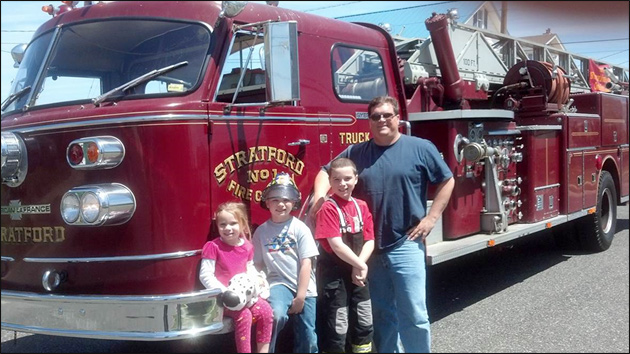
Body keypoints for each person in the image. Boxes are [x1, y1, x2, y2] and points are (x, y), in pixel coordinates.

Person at [310, 96, 455, 353]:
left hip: (406, 244)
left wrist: (432, 218)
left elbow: (447, 180)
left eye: (387, 115)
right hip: (368, 251)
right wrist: (320, 201)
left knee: (414, 314)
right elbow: (325, 171)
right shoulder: (357, 152)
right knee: (381, 315)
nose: (381, 120)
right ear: (369, 121)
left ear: (398, 118)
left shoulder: (420, 147)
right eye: (375, 116)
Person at [252, 172, 319, 353]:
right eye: (275, 200)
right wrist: (257, 284)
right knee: (275, 316)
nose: (281, 204)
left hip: (305, 288)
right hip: (278, 284)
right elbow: (257, 264)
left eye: (286, 200)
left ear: (294, 203)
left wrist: (301, 296)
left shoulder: (300, 229)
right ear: (267, 202)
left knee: (308, 337)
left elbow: (307, 263)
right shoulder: (261, 232)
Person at [315, 157, 375, 353]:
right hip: (336, 278)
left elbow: (370, 241)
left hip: (358, 274)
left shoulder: (361, 206)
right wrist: (360, 266)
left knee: (363, 317)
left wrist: (359, 266)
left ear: (356, 179)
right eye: (337, 180)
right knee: (338, 323)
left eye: (347, 178)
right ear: (330, 181)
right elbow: (336, 245)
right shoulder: (328, 208)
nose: (343, 184)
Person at [199, 201, 273, 353]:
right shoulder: (213, 247)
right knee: (244, 316)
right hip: (223, 299)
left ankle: (263, 350)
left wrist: (256, 279)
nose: (228, 228)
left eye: (233, 223)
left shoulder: (247, 246)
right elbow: (205, 275)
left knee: (266, 310)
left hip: (244, 296)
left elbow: (249, 268)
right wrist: (225, 292)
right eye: (222, 224)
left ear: (243, 225)